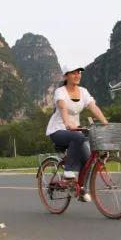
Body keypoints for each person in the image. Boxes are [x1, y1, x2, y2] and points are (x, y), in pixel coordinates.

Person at [45, 67, 108, 202]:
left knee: (88, 160)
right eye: (73, 73)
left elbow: (93, 107)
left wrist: (105, 123)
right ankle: (68, 172)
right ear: (66, 76)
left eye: (79, 72)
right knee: (78, 136)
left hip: (74, 132)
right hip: (58, 131)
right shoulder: (60, 92)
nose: (77, 75)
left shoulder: (83, 92)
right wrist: (67, 123)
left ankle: (82, 189)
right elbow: (62, 107)